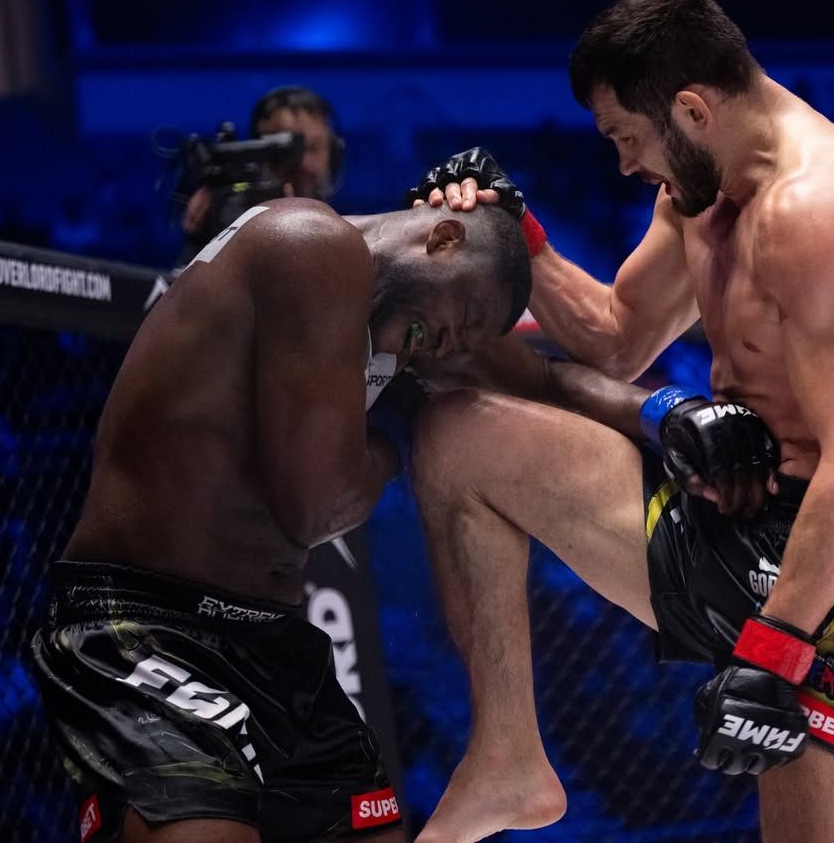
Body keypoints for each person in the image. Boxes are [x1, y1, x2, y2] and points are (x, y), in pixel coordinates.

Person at [404, 0, 834, 843]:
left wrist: (776, 647)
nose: (624, 164)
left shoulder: (821, 208)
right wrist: (517, 231)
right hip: (724, 513)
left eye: (628, 137)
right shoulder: (700, 191)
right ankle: (507, 760)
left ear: (692, 109)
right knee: (458, 433)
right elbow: (617, 338)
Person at [30, 196, 536, 843]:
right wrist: (390, 438)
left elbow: (550, 380)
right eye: (466, 317)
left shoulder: (375, 328)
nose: (449, 344)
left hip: (274, 643)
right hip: (145, 624)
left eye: (466, 340)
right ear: (442, 238)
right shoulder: (314, 244)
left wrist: (652, 413)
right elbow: (315, 511)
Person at [180, 86, 345, 263]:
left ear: (333, 154)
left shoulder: (354, 232)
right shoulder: (228, 216)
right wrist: (202, 240)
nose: (300, 163)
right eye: (283, 150)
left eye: (312, 148)